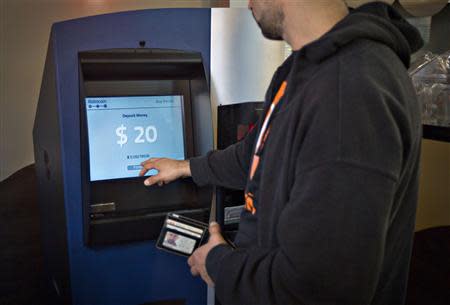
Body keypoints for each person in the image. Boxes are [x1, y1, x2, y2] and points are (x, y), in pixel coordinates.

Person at [140, 0, 424, 304]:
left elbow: (316, 289)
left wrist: (219, 264)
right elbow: (257, 155)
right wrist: (187, 167)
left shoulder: (348, 93)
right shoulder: (309, 69)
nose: (248, 2)